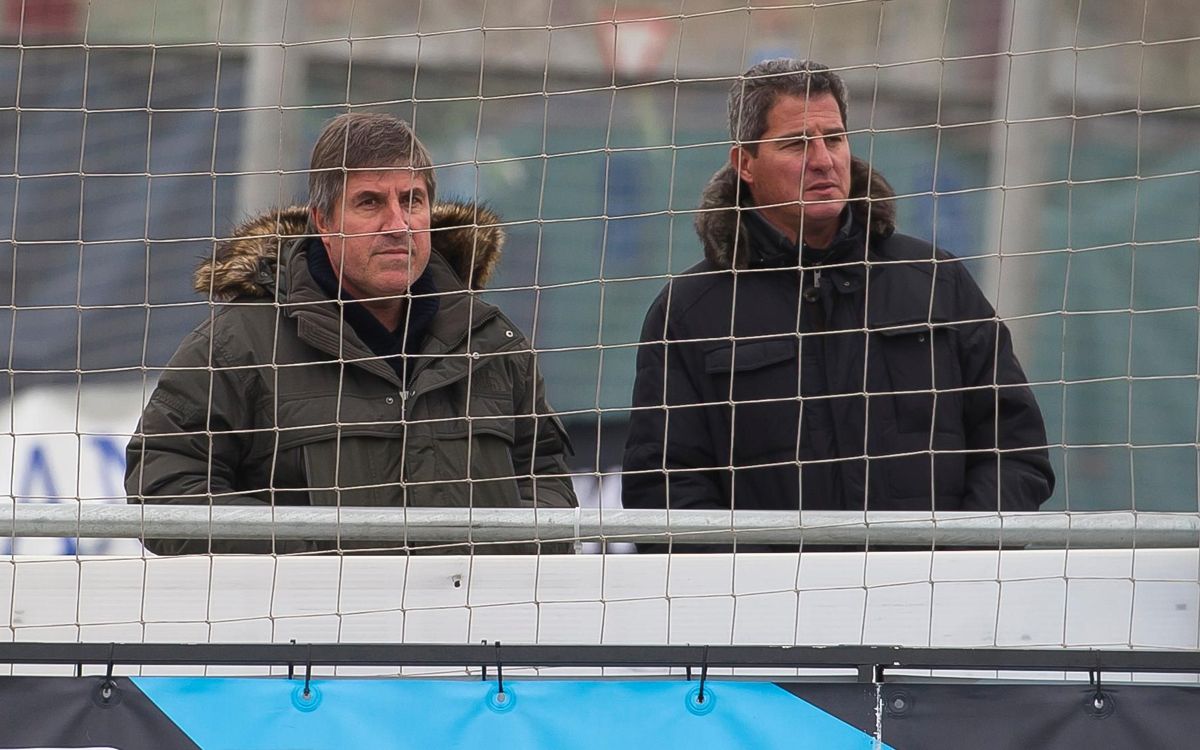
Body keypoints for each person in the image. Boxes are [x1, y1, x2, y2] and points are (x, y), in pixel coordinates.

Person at [622, 59, 1054, 539]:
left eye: (834, 138)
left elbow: (1015, 450)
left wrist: (958, 560)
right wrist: (757, 581)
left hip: (937, 582)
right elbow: (664, 488)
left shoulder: (935, 281)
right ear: (744, 163)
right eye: (796, 143)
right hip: (767, 587)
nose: (824, 160)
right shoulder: (690, 311)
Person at [127, 112, 577, 554]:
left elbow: (546, 480)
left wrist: (503, 562)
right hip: (311, 604)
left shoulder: (492, 342)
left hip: (474, 605)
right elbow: (163, 486)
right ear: (323, 221)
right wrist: (312, 561)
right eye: (370, 203)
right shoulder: (240, 343)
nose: (398, 225)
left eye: (412, 200)